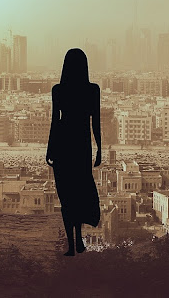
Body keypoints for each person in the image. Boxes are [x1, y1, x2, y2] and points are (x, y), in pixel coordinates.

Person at [46, 48, 102, 256]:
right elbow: (95, 122)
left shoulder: (58, 90)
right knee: (78, 193)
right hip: (81, 145)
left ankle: (72, 244)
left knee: (67, 196)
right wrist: (99, 150)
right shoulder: (92, 90)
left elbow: (54, 121)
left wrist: (50, 148)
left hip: (63, 143)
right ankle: (79, 241)